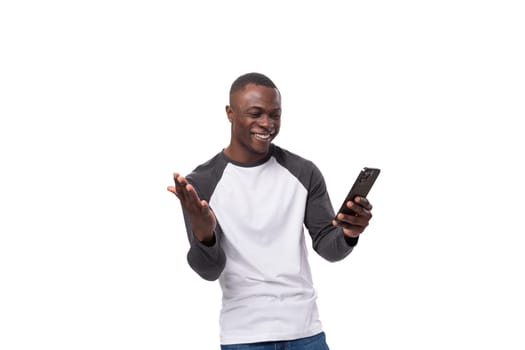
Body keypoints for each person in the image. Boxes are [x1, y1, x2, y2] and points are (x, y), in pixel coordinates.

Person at [167, 72, 374, 349]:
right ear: (230, 113)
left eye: (275, 115)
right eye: (256, 113)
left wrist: (348, 232)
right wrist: (205, 236)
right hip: (245, 336)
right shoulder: (201, 184)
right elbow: (209, 270)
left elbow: (328, 247)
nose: (267, 124)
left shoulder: (303, 172)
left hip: (305, 332)